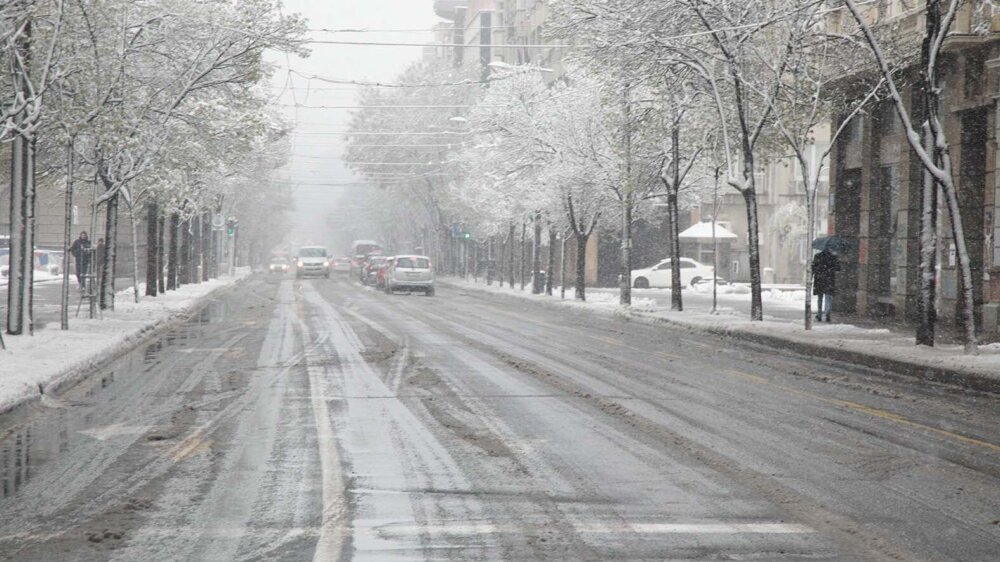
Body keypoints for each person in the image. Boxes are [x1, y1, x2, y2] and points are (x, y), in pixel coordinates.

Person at [812, 249, 840, 322]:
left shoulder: (817, 256)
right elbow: (838, 268)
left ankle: (819, 314)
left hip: (819, 279)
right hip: (829, 279)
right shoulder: (833, 257)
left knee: (820, 298)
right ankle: (828, 313)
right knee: (829, 297)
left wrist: (814, 274)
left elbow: (813, 268)